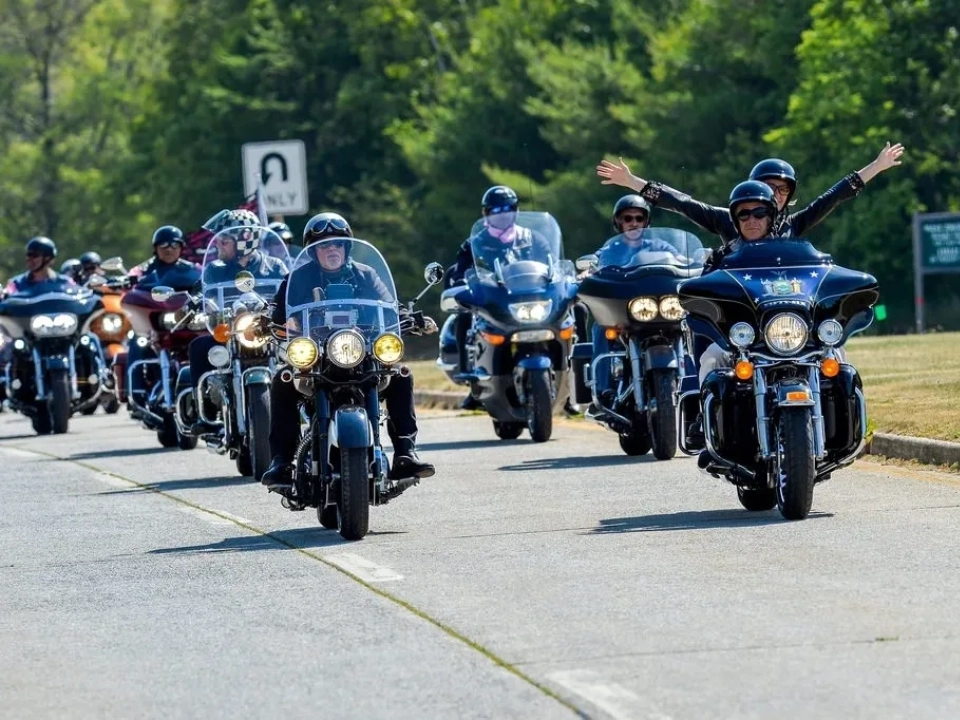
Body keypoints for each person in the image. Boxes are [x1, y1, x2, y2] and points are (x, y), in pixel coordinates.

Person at [260, 211, 436, 490]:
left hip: (361, 352)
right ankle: (281, 462)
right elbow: (278, 311)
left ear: (346, 247)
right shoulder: (298, 278)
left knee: (401, 375)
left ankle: (405, 453)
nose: (332, 249)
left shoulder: (365, 274)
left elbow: (390, 307)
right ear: (314, 250)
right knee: (283, 380)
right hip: (317, 355)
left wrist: (410, 318)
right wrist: (266, 322)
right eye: (324, 245)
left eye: (338, 244)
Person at [596, 142, 905, 245]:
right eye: (769, 188)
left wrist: (876, 167)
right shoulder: (728, 220)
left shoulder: (793, 225)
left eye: (783, 189)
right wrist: (633, 181)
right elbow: (681, 203)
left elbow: (834, 196)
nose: (775, 195)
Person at [446, 185, 553, 410]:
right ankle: (472, 379)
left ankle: (573, 378)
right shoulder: (475, 243)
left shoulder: (533, 238)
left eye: (507, 208)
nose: (502, 214)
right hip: (496, 300)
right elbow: (459, 272)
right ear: (486, 214)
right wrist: (460, 285)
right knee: (463, 315)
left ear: (516, 210)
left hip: (531, 299)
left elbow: (552, 265)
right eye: (495, 210)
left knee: (574, 312)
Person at [187, 214, 289, 434]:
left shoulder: (274, 266)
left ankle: (308, 408)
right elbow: (202, 290)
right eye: (219, 240)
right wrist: (195, 300)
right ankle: (204, 414)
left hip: (267, 330)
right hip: (232, 330)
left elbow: (289, 291)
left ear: (245, 240)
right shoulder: (215, 269)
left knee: (300, 351)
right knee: (199, 347)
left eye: (224, 240)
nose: (218, 245)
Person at [584, 195, 687, 414]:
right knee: (601, 328)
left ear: (646, 222)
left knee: (692, 327)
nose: (633, 223)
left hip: (660, 310)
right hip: (627, 313)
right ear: (618, 222)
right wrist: (588, 270)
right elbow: (595, 262)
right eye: (627, 218)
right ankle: (604, 391)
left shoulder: (659, 245)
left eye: (639, 218)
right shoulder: (610, 250)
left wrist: (693, 262)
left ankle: (694, 386)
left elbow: (680, 259)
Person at [126, 226, 201, 407]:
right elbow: (129, 283)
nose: (169, 249)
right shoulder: (142, 270)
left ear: (181, 247)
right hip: (157, 322)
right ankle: (136, 391)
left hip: (187, 321)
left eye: (174, 244)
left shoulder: (196, 269)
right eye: (164, 244)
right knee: (137, 340)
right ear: (155, 247)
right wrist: (122, 282)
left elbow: (209, 281)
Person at [5, 237, 76, 295]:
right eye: (28, 254)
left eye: (35, 255)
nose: (29, 259)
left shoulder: (65, 282)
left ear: (48, 259)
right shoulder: (16, 284)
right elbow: (6, 296)